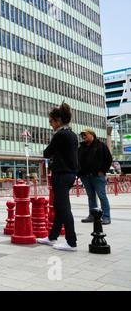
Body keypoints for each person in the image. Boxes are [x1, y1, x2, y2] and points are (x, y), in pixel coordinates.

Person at [38, 103, 78, 251]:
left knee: (64, 208)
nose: (50, 124)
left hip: (60, 174)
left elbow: (46, 153)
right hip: (70, 174)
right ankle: (52, 237)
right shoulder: (72, 134)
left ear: (59, 119)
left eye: (51, 121)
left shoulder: (60, 134)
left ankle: (71, 242)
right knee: (59, 207)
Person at [78, 128, 112, 224]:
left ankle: (106, 217)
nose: (83, 137)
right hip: (85, 176)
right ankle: (92, 215)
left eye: (85, 134)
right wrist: (79, 173)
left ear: (92, 135)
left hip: (97, 176)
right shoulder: (81, 148)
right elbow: (77, 161)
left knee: (102, 196)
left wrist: (102, 171)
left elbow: (108, 159)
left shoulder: (101, 146)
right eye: (82, 135)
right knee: (91, 197)